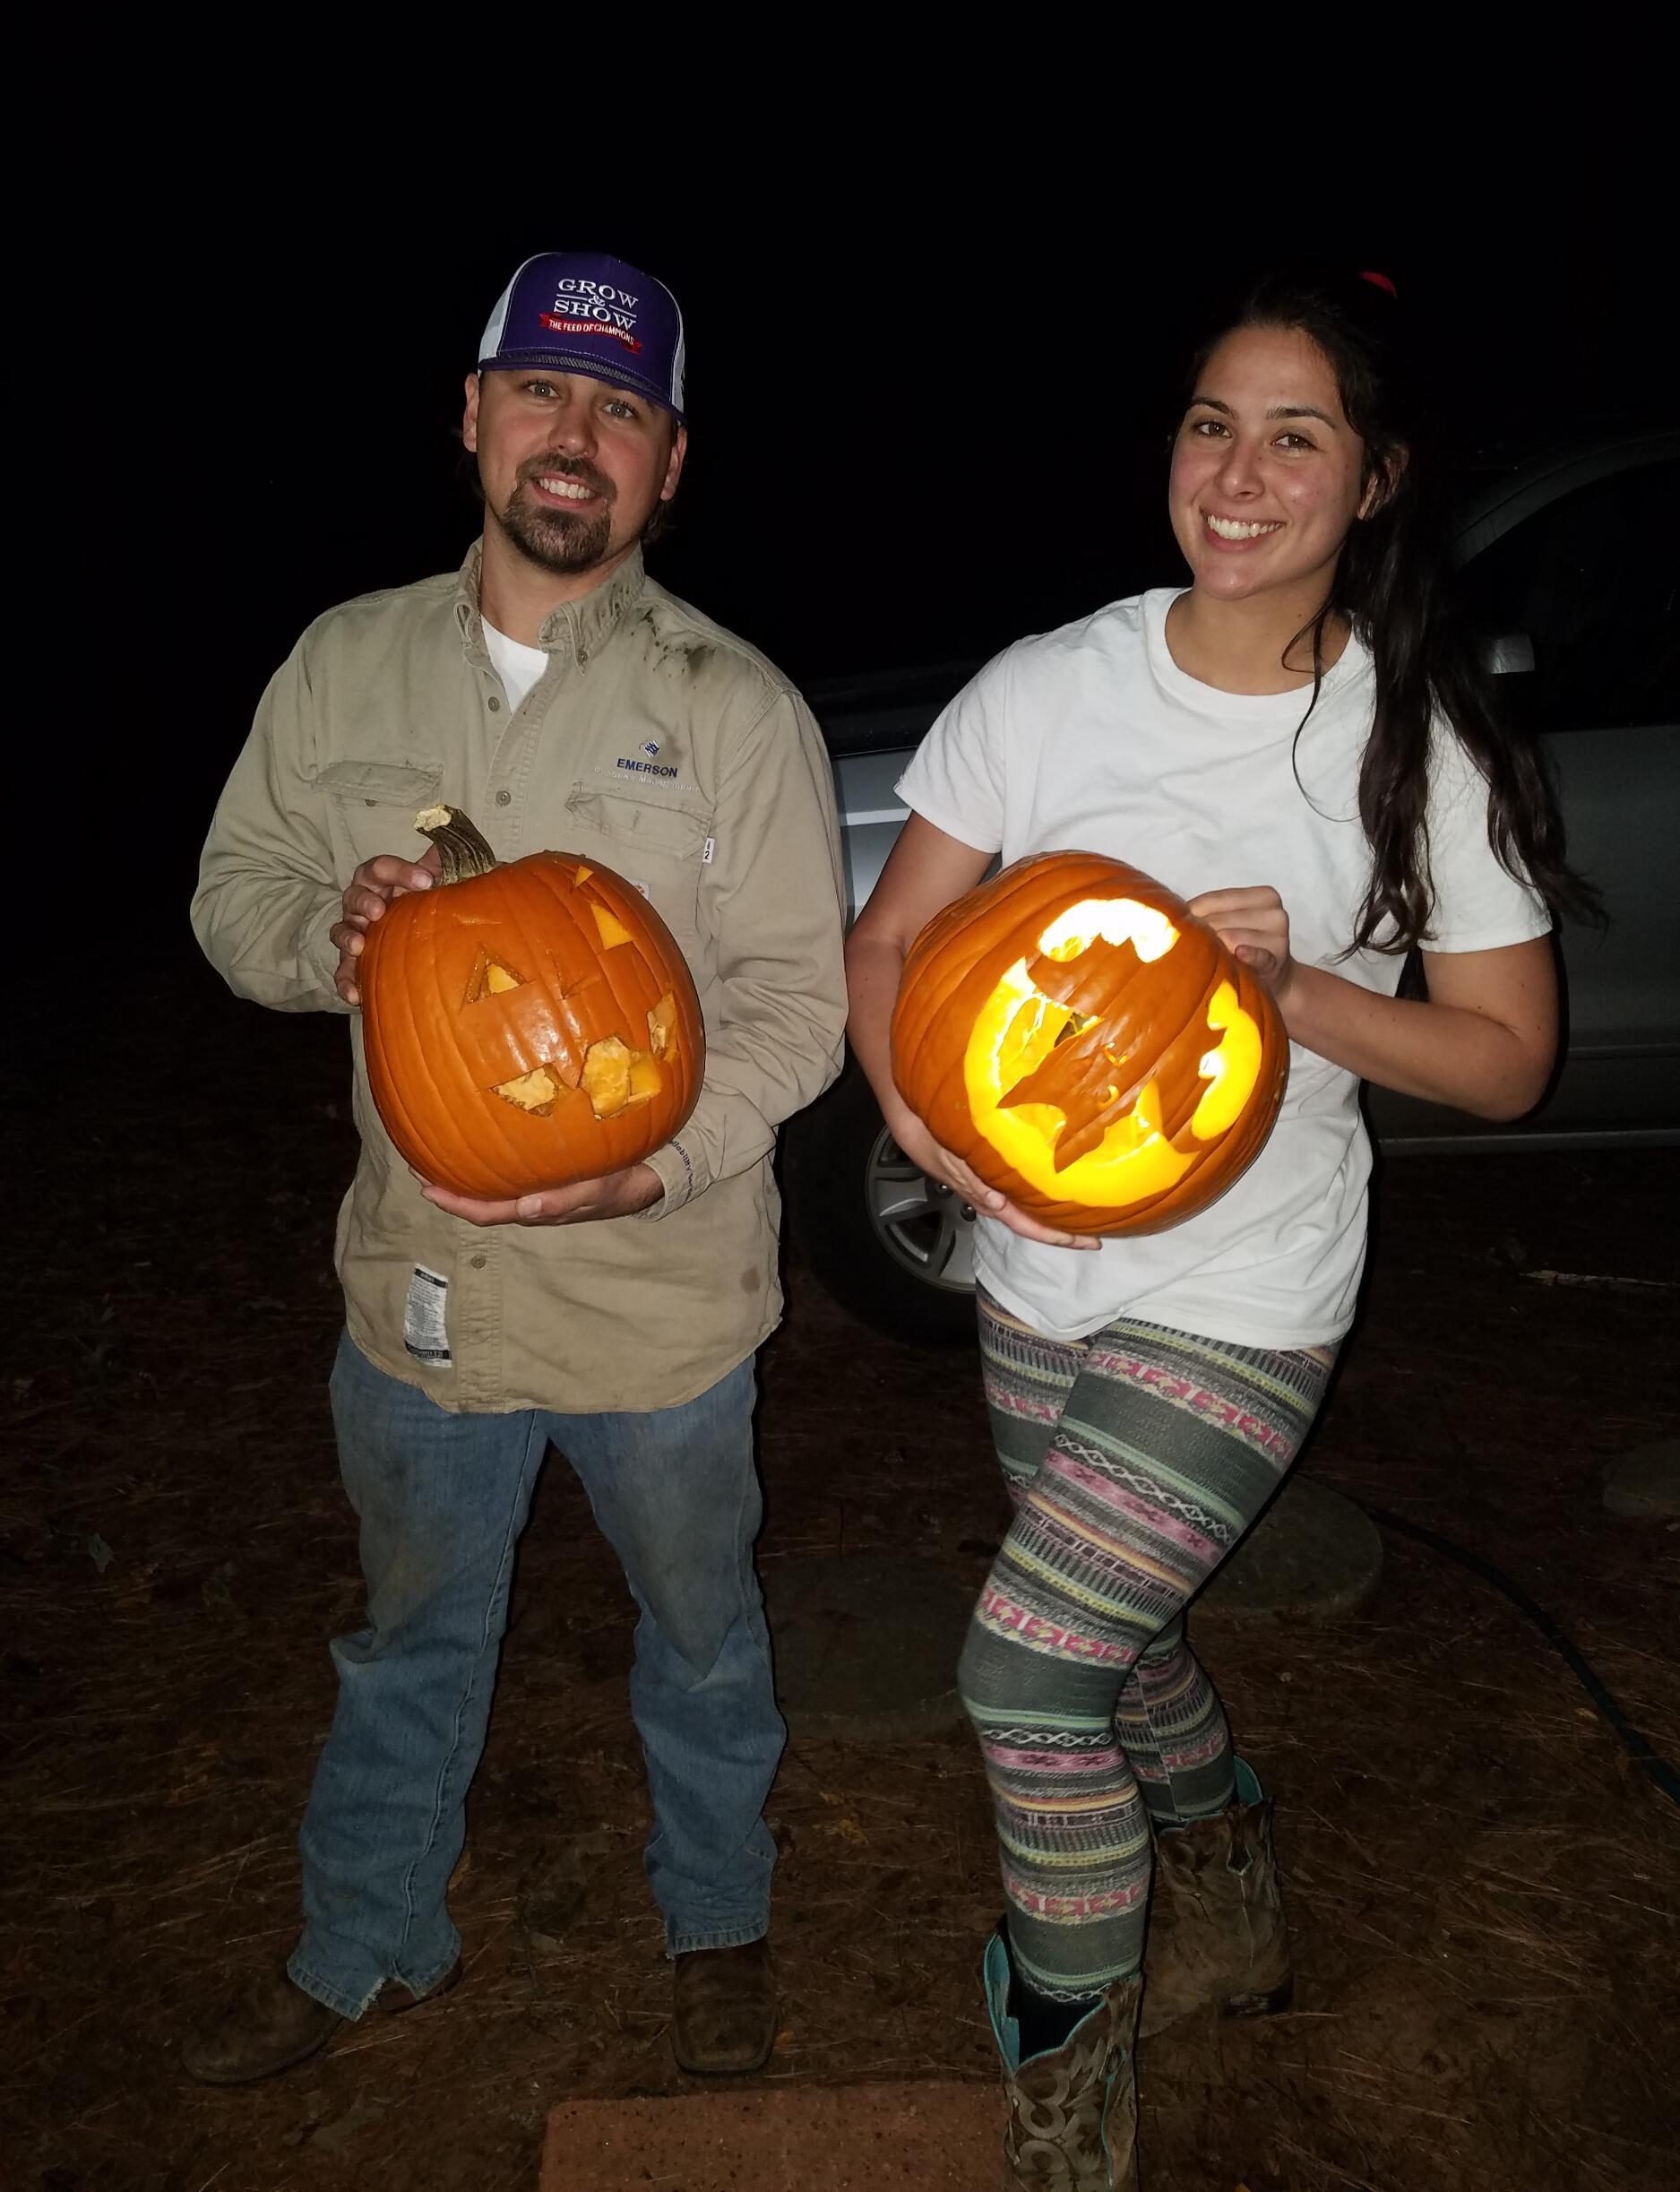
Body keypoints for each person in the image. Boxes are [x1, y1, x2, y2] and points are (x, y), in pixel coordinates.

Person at [844, 268, 1592, 2189]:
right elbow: (891, 940)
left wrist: (1300, 993)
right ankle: (1230, 1861)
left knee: (1027, 1669)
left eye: (1293, 436)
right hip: (1038, 1266)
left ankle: (1065, 2080)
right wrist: (926, 1128)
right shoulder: (1048, 684)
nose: (1237, 474)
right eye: (1209, 425)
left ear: (1374, 479)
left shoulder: (1410, 737)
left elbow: (1506, 1061)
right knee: (1126, 1628)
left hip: (1249, 1287)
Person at [185, 252, 848, 2086]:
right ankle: (364, 1935)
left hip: (661, 1302)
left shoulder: (733, 704)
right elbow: (232, 891)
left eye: (621, 409)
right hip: (423, 1290)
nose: (576, 434)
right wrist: (330, 938)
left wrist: (656, 1169)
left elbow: (799, 1008)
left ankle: (716, 1917)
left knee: (702, 1639)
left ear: (668, 463)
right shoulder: (343, 662)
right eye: (542, 390)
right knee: (405, 1636)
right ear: (472, 415)